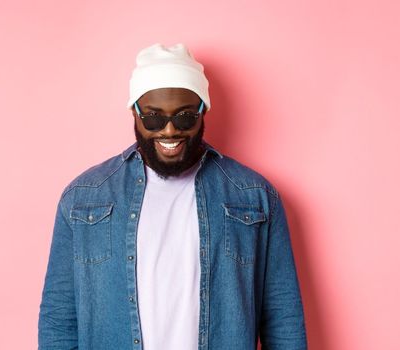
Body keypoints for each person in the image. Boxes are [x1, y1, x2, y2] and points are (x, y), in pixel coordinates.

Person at [37, 43, 307, 349]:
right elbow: (59, 317)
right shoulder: (83, 198)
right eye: (153, 117)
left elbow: (282, 316)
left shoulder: (255, 196)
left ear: (203, 111)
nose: (168, 131)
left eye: (184, 117)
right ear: (135, 112)